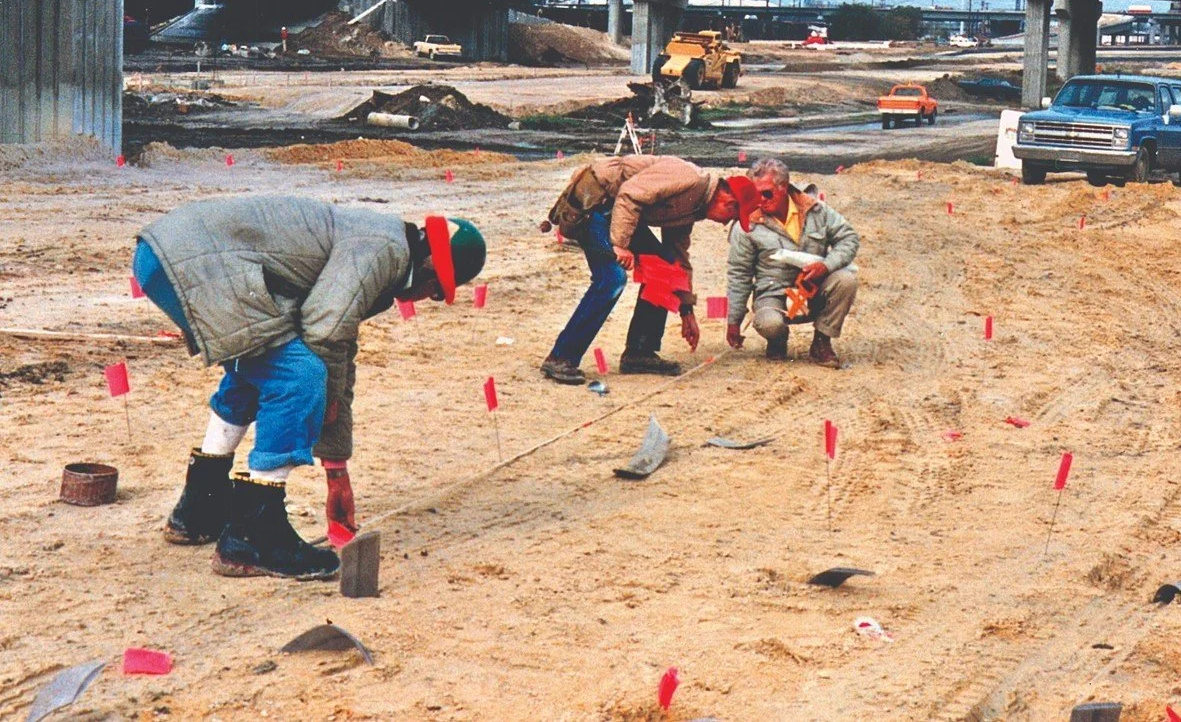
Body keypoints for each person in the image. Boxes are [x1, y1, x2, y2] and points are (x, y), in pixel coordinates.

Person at [134, 196, 485, 580]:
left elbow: (337, 342)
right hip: (193, 263)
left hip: (165, 253)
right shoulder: (385, 251)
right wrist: (327, 401)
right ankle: (254, 538)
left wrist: (337, 469)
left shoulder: (385, 240)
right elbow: (326, 331)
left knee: (262, 362)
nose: (428, 299)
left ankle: (199, 508)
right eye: (437, 292)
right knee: (298, 375)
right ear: (433, 268)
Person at [539, 155, 760, 384]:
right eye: (731, 217)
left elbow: (678, 257)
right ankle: (561, 357)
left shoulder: (696, 203)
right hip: (595, 206)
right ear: (728, 201)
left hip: (619, 212)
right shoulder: (688, 178)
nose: (725, 224)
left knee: (665, 269)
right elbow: (629, 194)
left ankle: (639, 352)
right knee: (612, 279)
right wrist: (620, 245)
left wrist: (686, 311)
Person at [726, 157, 859, 368]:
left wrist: (826, 266)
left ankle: (821, 342)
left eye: (767, 193)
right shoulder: (747, 225)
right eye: (754, 194)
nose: (760, 200)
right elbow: (739, 274)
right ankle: (777, 340)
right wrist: (733, 321)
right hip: (773, 295)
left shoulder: (817, 210)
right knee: (770, 324)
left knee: (846, 280)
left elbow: (849, 238)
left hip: (814, 289)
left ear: (784, 188)